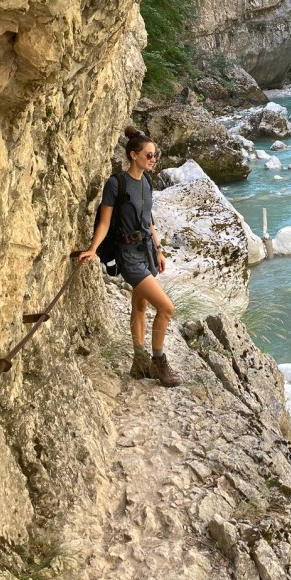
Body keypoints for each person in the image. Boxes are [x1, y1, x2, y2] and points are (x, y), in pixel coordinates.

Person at [78, 126, 181, 387]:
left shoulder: (146, 181)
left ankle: (138, 362)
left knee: (141, 305)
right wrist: (92, 249)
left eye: (155, 155)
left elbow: (149, 220)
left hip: (146, 251)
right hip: (128, 256)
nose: (153, 159)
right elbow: (104, 222)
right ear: (133, 155)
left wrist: (158, 250)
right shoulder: (116, 183)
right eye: (149, 155)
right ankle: (158, 361)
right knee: (166, 307)